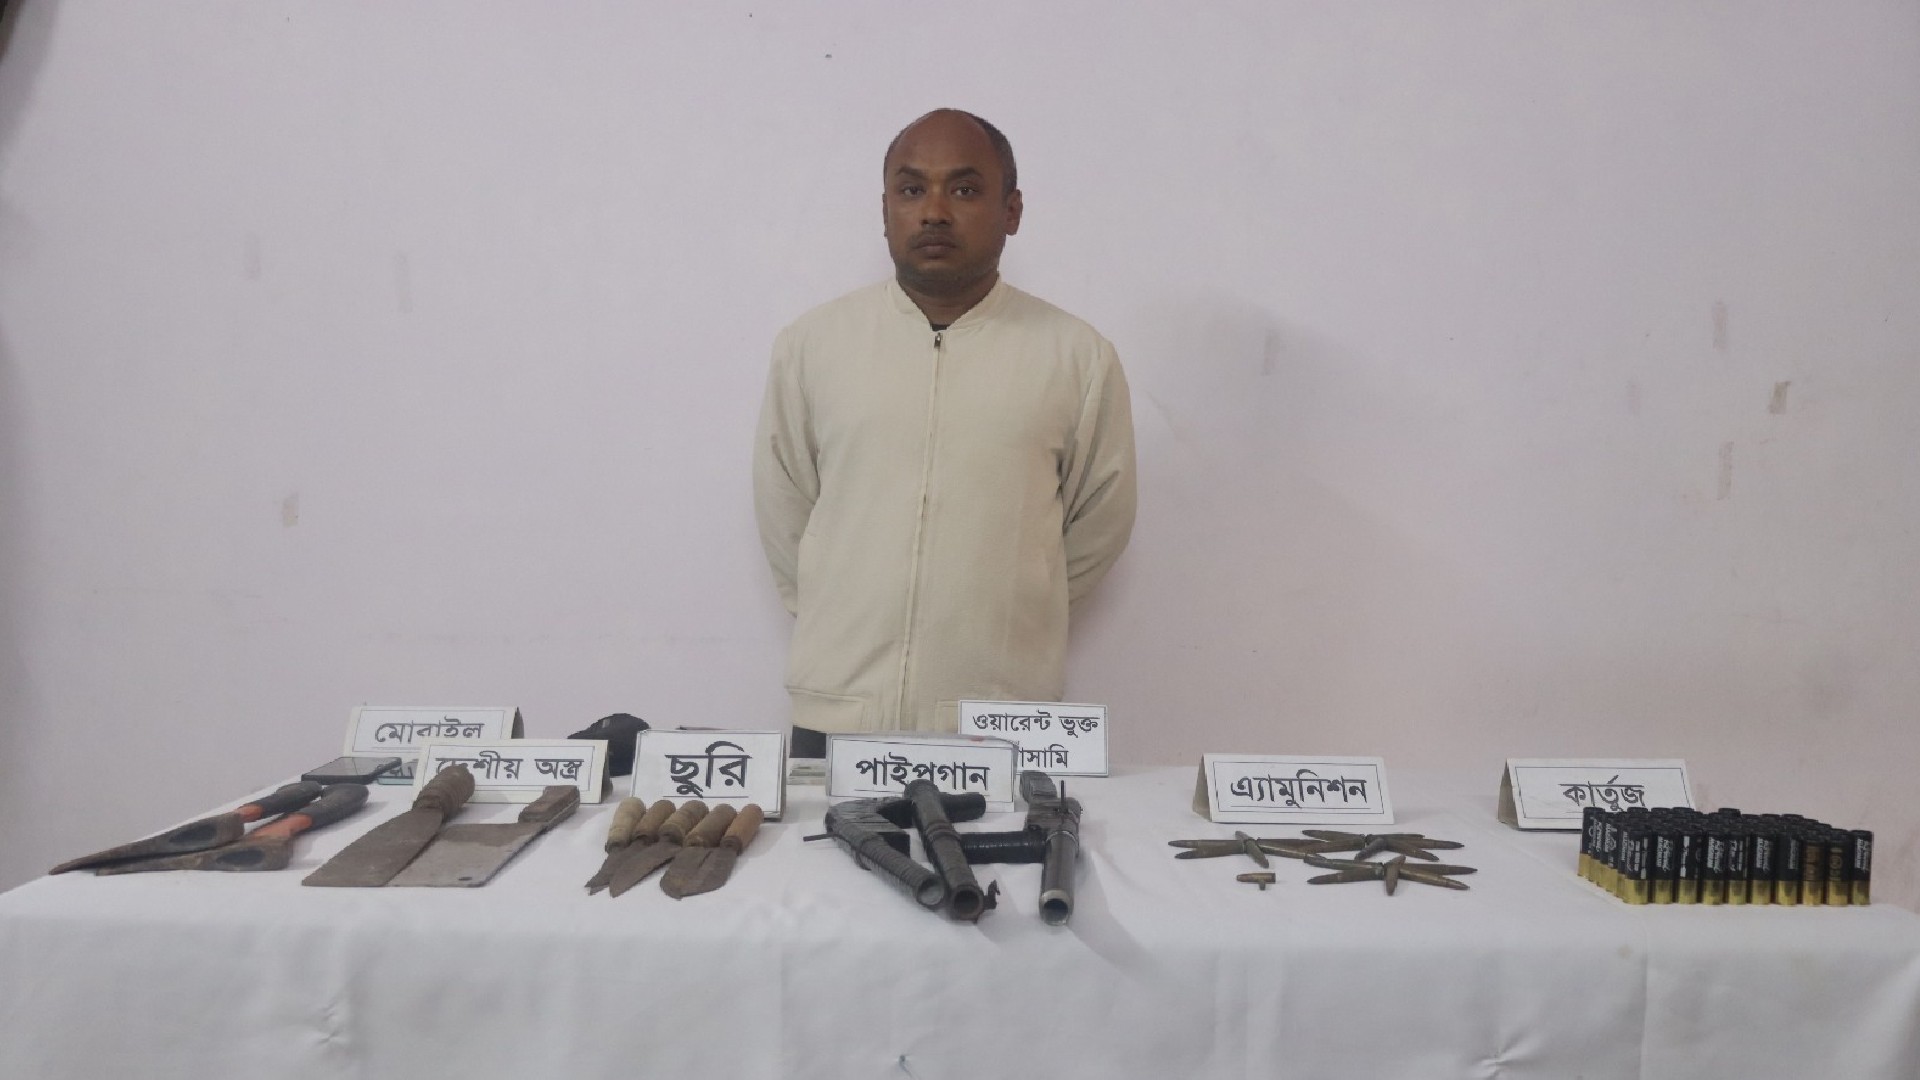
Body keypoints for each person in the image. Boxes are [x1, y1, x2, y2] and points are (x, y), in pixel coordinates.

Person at [753, 109, 1136, 755]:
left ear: (1011, 209)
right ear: (885, 210)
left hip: (1003, 720)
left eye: (964, 189)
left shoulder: (1077, 357)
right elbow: (785, 509)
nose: (934, 212)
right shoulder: (813, 346)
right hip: (839, 713)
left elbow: (1099, 522)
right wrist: (841, 603)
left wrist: (1021, 601)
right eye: (911, 189)